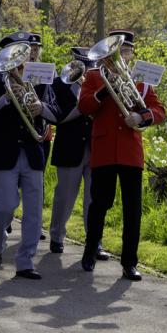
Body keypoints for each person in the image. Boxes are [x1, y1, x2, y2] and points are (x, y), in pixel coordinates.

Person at [78, 29, 165, 281]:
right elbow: (83, 106)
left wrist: (142, 116)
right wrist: (104, 91)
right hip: (104, 149)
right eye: (119, 50)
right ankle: (90, 250)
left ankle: (129, 262)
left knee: (132, 209)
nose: (122, 55)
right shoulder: (94, 76)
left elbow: (159, 110)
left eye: (126, 51)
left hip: (130, 151)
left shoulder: (142, 79)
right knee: (99, 204)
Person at [0, 31, 55, 280]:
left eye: (24, 52)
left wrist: (41, 108)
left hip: (33, 152)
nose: (22, 58)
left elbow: (57, 112)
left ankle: (25, 261)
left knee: (34, 211)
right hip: (5, 152)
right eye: (16, 53)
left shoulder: (39, 79)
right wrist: (5, 97)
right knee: (7, 205)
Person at [47, 47, 109, 260]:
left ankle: (94, 242)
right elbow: (56, 113)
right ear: (73, 64)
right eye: (82, 66)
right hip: (69, 146)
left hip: (96, 147)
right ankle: (57, 236)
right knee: (65, 195)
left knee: (94, 198)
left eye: (90, 66)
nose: (85, 72)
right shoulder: (58, 84)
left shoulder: (101, 83)